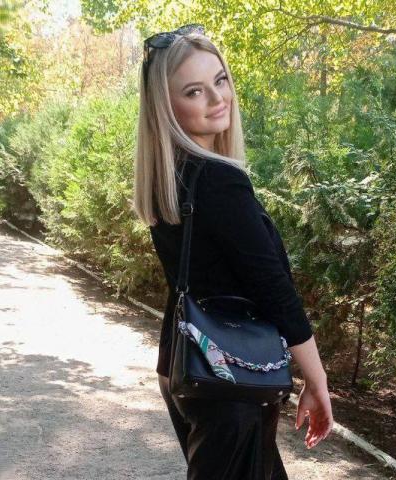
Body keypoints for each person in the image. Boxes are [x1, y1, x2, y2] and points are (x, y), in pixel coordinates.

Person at [132, 23, 333, 479]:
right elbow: (273, 288)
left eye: (220, 80)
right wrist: (316, 379)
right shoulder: (218, 180)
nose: (217, 98)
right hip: (231, 383)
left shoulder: (170, 179)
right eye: (194, 91)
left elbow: (188, 285)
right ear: (166, 107)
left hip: (191, 371)